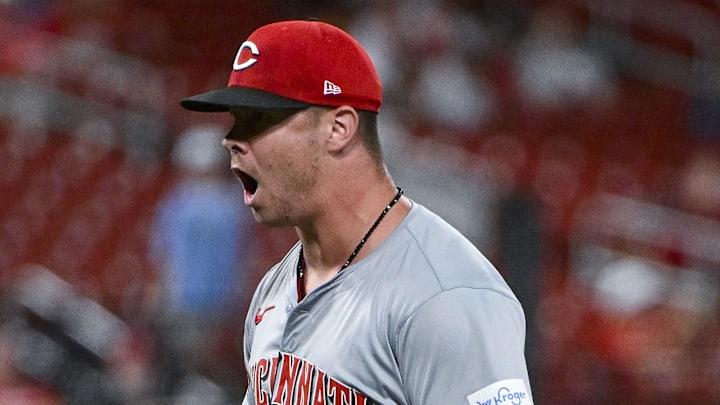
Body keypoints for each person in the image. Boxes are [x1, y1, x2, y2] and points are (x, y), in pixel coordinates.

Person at [180, 19, 533, 405]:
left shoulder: (446, 296)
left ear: (339, 128)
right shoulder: (274, 289)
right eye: (235, 120)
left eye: (259, 119)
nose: (230, 139)